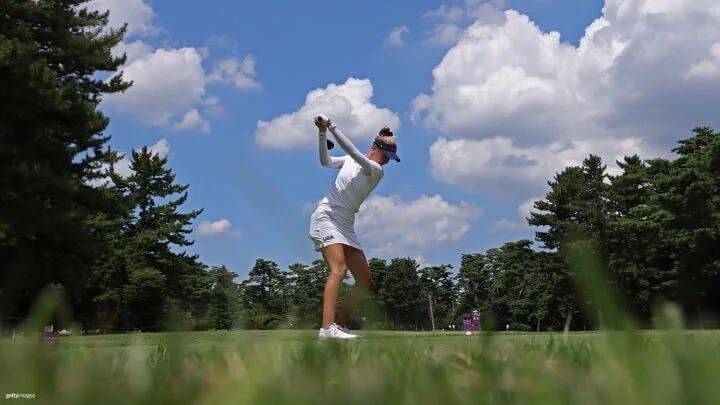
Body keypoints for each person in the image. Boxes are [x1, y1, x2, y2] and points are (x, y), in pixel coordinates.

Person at [309, 114, 400, 339]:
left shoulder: (376, 170)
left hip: (346, 223)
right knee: (338, 270)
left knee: (364, 279)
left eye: (390, 157)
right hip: (327, 216)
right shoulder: (355, 161)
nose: (387, 160)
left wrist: (331, 126)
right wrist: (323, 132)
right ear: (375, 147)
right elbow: (326, 162)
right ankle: (326, 329)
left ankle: (339, 325)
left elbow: (353, 153)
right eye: (386, 155)